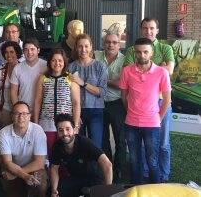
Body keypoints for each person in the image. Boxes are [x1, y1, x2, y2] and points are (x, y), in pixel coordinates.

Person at [123, 17, 175, 183]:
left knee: (158, 152)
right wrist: (131, 111)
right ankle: (139, 188)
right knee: (135, 159)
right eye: (138, 52)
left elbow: (167, 98)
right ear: (134, 52)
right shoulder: (128, 70)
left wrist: (158, 118)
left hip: (154, 117)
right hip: (132, 120)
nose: (141, 55)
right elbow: (124, 96)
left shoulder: (162, 66)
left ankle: (160, 184)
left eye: (145, 52)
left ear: (152, 52)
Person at [33, 48, 81, 157]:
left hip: (66, 125)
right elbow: (37, 101)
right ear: (49, 62)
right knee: (48, 154)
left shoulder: (71, 79)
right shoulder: (43, 78)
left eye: (60, 60)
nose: (57, 63)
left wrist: (76, 125)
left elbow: (76, 103)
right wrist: (35, 124)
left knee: (66, 155)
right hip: (46, 123)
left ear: (64, 62)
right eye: (54, 60)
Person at [50, 114, 113, 197]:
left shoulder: (85, 143)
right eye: (60, 130)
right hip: (75, 179)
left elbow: (107, 164)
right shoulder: (57, 145)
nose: (64, 133)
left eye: (68, 129)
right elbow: (54, 168)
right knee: (53, 192)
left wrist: (106, 191)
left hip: (94, 179)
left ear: (74, 130)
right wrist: (54, 190)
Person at [94, 31, 126, 182]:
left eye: (114, 42)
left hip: (117, 104)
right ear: (103, 43)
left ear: (119, 45)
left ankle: (119, 172)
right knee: (103, 139)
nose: (111, 45)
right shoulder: (96, 56)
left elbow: (123, 84)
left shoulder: (125, 60)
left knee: (120, 140)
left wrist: (102, 80)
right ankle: (107, 170)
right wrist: (111, 81)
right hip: (98, 104)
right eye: (108, 42)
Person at [0, 101, 48, 197]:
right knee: (11, 186)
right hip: (14, 167)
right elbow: (8, 162)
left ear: (30, 116)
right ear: (12, 116)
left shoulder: (37, 130)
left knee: (39, 182)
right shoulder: (4, 133)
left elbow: (39, 163)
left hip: (35, 168)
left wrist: (17, 174)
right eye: (17, 114)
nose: (21, 117)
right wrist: (24, 175)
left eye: (24, 114)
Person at [68, 33, 107, 149]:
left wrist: (83, 84)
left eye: (86, 46)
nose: (83, 49)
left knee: (95, 146)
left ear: (91, 47)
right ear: (76, 48)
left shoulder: (100, 66)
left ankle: (94, 168)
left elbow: (102, 92)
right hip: (77, 111)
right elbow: (67, 93)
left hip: (95, 111)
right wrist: (74, 113)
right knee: (78, 145)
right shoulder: (71, 67)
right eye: (80, 46)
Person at [10, 38, 47, 112]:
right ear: (23, 51)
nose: (29, 52)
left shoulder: (46, 66)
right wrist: (18, 110)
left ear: (38, 50)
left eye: (32, 49)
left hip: (43, 110)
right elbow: (13, 92)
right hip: (23, 111)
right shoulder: (17, 68)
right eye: (26, 49)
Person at [0, 41, 22, 127]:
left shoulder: (23, 68)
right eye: (6, 52)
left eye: (11, 52)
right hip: (5, 108)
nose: (9, 55)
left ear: (17, 53)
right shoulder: (0, 69)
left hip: (21, 109)